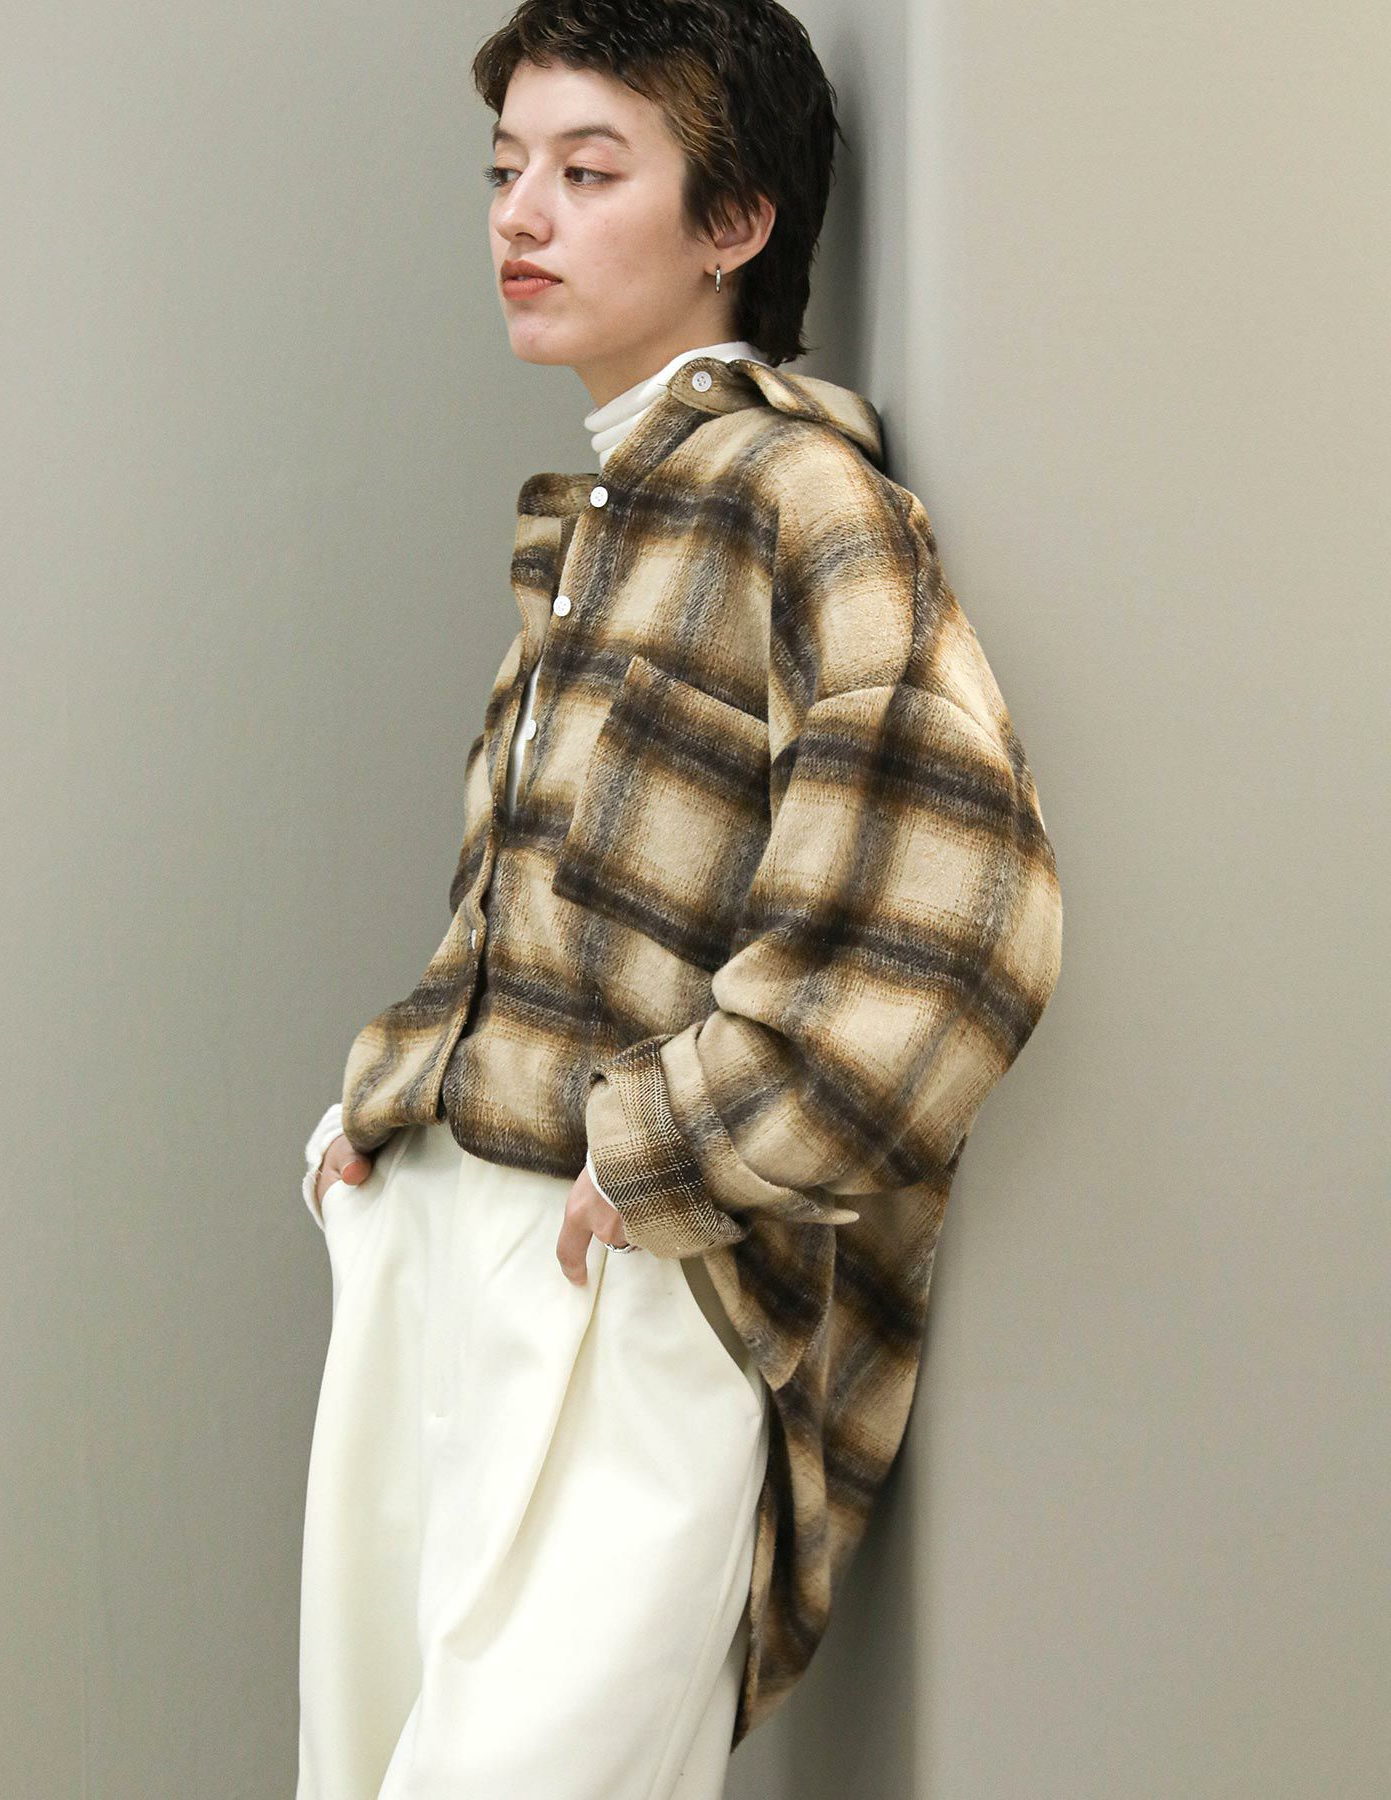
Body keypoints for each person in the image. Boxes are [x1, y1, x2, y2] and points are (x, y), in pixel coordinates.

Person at [296, 4, 1064, 1797]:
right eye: (507, 170)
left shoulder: (801, 499)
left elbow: (967, 928)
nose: (520, 215)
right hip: (445, 1252)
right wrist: (387, 1107)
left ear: (736, 221)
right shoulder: (612, 514)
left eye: (588, 172)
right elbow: (547, 917)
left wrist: (666, 1149)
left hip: (628, 1271)